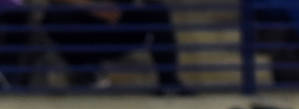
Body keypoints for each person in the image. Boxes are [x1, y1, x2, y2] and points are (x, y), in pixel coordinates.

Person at [40, 0, 191, 94]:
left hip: (117, 25)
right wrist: (94, 7)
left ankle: (168, 81)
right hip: (81, 23)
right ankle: (85, 73)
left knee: (156, 9)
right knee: (55, 17)